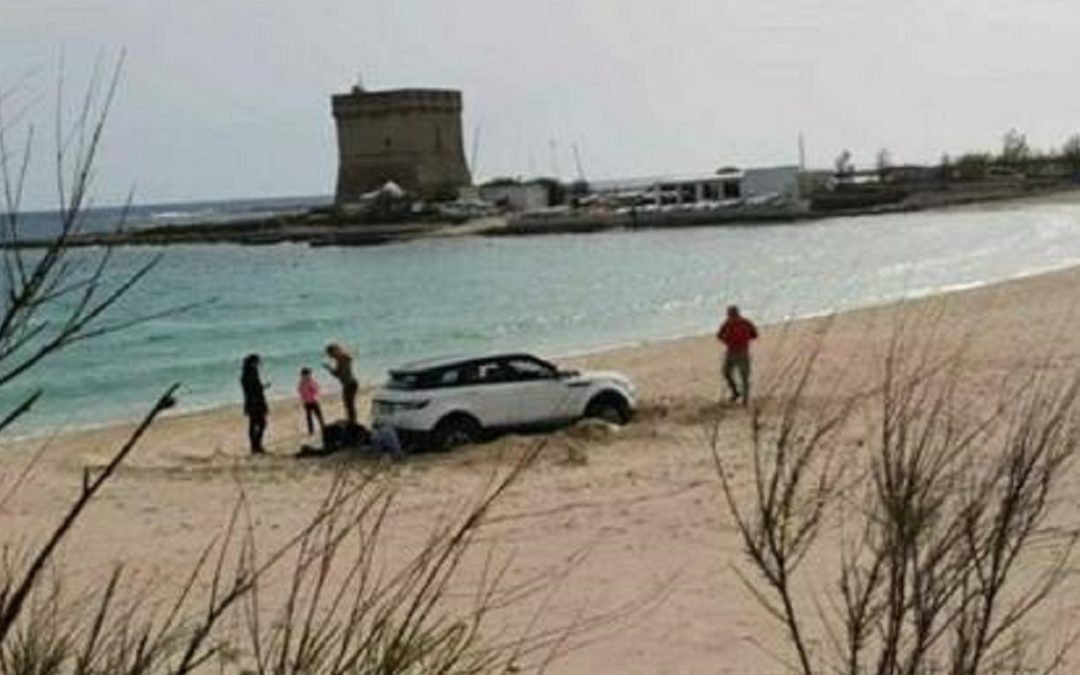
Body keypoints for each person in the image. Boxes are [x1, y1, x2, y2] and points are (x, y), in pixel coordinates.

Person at [716, 305, 758, 405]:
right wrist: (728, 341)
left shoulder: (745, 323)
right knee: (726, 373)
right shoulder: (727, 324)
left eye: (733, 314)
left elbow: (754, 334)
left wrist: (745, 340)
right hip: (731, 352)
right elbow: (719, 335)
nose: (732, 317)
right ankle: (735, 392)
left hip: (743, 352)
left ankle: (745, 400)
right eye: (730, 314)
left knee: (744, 377)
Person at [240, 353, 269, 454]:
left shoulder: (245, 374)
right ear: (253, 363)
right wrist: (263, 387)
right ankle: (257, 445)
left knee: (254, 424)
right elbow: (255, 388)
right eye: (257, 362)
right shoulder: (252, 373)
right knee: (261, 423)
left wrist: (261, 387)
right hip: (256, 402)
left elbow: (249, 389)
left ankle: (255, 446)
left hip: (250, 402)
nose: (259, 364)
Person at [324, 342, 359, 424]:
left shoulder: (344, 358)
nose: (331, 357)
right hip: (348, 385)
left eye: (331, 354)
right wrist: (329, 368)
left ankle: (353, 422)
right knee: (348, 405)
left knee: (349, 405)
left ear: (334, 351)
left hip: (350, 384)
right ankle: (352, 421)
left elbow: (341, 374)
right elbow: (337, 374)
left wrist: (341, 352)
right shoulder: (339, 360)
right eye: (330, 355)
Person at [297, 367, 325, 435]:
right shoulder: (301, 383)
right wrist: (306, 389)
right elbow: (300, 391)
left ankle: (323, 427)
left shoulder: (311, 381)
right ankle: (311, 430)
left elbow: (317, 389)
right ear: (303, 375)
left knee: (319, 415)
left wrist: (312, 388)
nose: (309, 376)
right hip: (307, 402)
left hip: (314, 401)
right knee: (309, 417)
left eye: (309, 375)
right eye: (307, 375)